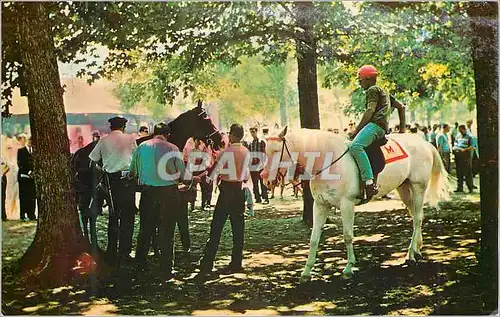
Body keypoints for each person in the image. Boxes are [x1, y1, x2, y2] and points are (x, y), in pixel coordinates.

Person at [130, 122, 190, 278]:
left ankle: (140, 264)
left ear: (153, 133)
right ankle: (166, 267)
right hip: (169, 194)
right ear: (167, 135)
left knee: (145, 230)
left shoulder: (141, 147)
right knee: (167, 231)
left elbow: (132, 172)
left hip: (148, 193)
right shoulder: (173, 148)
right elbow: (183, 176)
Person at [197, 124, 250, 277]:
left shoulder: (226, 152)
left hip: (226, 190)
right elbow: (246, 175)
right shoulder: (246, 152)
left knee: (217, 227)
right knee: (238, 227)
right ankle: (236, 262)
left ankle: (208, 261)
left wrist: (204, 178)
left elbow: (214, 173)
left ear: (232, 135)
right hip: (239, 190)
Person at [89, 116, 138, 267]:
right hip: (128, 180)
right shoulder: (130, 139)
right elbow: (135, 159)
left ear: (111, 127)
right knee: (128, 216)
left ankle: (111, 250)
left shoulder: (103, 140)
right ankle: (125, 251)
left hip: (111, 181)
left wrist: (103, 169)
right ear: (123, 127)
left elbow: (93, 160)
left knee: (113, 214)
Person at [348, 65, 402, 201]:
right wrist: (402, 129)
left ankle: (369, 182)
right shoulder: (385, 92)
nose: (359, 83)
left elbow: (369, 111)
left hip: (375, 126)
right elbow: (401, 107)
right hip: (382, 128)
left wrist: (356, 130)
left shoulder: (372, 90)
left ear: (367, 78)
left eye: (360, 80)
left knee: (355, 146)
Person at [71, 130, 101, 241]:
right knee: (86, 212)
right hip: (85, 186)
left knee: (89, 212)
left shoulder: (82, 152)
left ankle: (89, 235)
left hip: (88, 187)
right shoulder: (83, 153)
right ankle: (87, 235)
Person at [246, 127, 269, 204]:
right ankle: (257, 197)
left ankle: (265, 197)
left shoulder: (261, 142)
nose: (252, 134)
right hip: (253, 165)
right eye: (251, 132)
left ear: (256, 132)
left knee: (263, 182)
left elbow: (264, 153)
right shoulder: (250, 143)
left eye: (253, 132)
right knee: (255, 183)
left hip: (261, 165)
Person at [17, 136, 36, 221]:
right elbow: (20, 164)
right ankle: (22, 214)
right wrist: (29, 172)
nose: (30, 142)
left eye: (32, 141)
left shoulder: (35, 152)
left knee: (32, 196)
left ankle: (31, 214)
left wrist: (34, 172)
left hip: (32, 178)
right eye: (30, 140)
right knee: (24, 196)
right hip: (23, 177)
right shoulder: (21, 151)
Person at [453, 124, 474, 193]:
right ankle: (460, 188)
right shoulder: (458, 136)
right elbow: (455, 144)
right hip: (458, 155)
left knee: (467, 172)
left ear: (464, 129)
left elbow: (472, 146)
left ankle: (470, 187)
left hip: (466, 155)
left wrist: (465, 150)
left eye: (461, 130)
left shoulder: (470, 137)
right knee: (459, 172)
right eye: (459, 131)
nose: (460, 132)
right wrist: (457, 148)